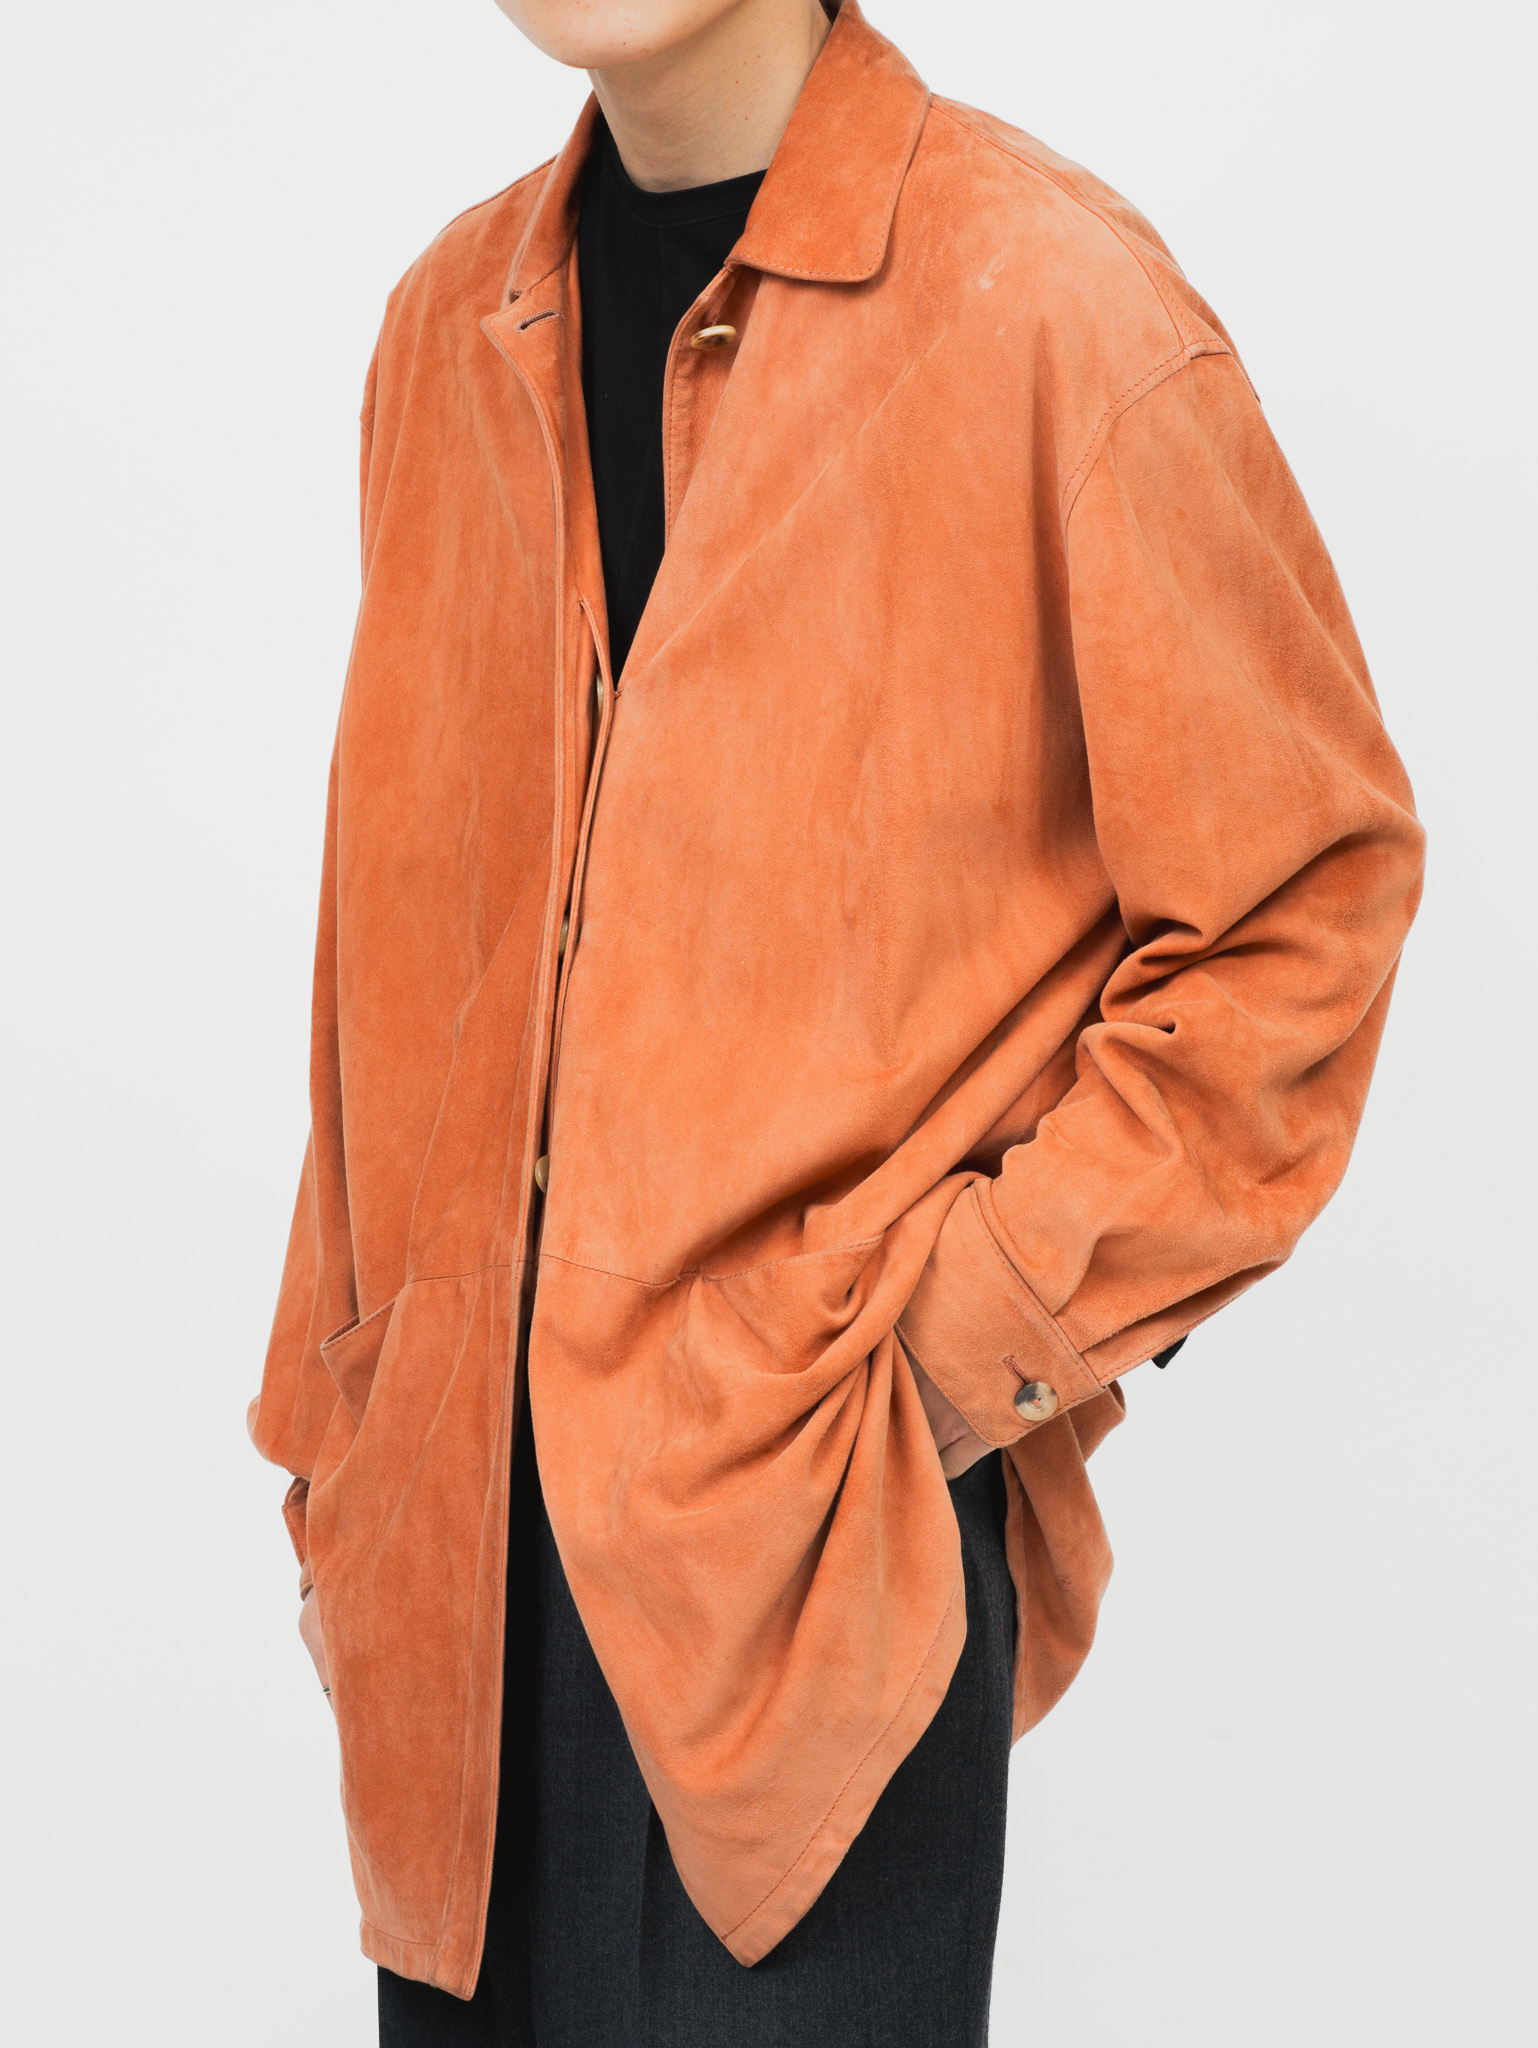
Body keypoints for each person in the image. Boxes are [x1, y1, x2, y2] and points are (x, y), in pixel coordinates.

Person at [248, 1, 1425, 2040]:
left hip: (808, 1568)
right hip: (453, 1611)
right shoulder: (447, 329)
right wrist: (342, 1443)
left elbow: (1297, 909)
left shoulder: (1043, 298)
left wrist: (940, 1350)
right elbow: (386, 970)